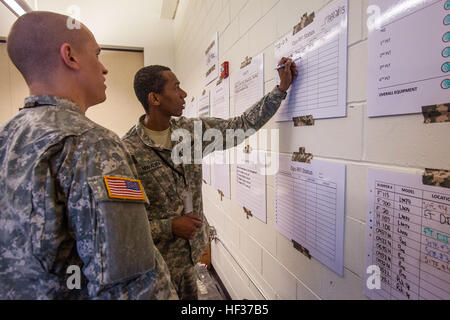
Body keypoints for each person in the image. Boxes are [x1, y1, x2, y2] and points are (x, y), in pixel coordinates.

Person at [0, 11, 177, 300]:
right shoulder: (93, 143)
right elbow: (129, 284)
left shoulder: (5, 138)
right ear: (70, 56)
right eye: (97, 54)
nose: (105, 69)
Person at [122, 59, 298, 299]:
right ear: (155, 98)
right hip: (156, 269)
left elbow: (242, 125)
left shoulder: (190, 132)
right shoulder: (126, 151)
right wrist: (170, 226)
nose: (183, 94)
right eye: (176, 88)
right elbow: (124, 225)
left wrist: (280, 90)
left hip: (190, 259)